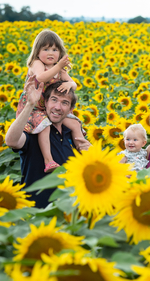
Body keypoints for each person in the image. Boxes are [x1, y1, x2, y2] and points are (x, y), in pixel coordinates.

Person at [5, 79, 91, 208]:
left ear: (70, 109)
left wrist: (91, 152)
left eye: (64, 103)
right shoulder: (35, 132)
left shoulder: (73, 134)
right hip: (36, 212)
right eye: (54, 100)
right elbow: (11, 141)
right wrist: (29, 104)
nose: (57, 107)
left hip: (68, 210)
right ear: (45, 102)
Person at [16, 29, 85, 173]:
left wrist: (68, 84)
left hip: (52, 108)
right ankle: (49, 160)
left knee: (74, 123)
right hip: (34, 108)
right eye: (46, 49)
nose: (50, 53)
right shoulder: (37, 64)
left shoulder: (59, 70)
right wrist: (59, 67)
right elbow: (41, 77)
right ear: (37, 51)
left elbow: (74, 84)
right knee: (45, 125)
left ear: (60, 52)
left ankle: (83, 150)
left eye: (54, 49)